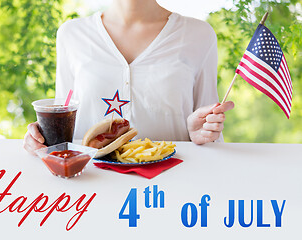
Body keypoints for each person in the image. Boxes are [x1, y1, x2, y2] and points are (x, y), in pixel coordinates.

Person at [23, 0, 234, 155]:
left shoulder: (198, 35)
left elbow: (210, 132)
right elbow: (64, 118)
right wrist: (42, 138)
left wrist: (201, 135)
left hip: (171, 188)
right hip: (92, 187)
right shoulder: (71, 35)